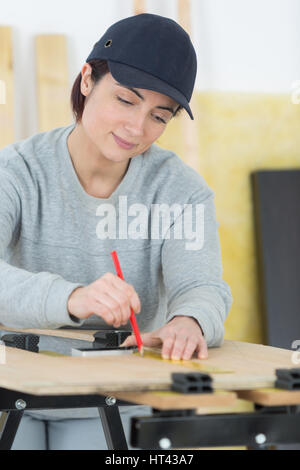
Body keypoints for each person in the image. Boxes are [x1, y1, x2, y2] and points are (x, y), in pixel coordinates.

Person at [0, 13, 232, 450]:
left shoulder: (182, 191)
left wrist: (189, 319)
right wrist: (72, 297)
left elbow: (202, 286)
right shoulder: (16, 171)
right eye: (125, 100)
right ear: (87, 78)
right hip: (18, 392)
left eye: (159, 116)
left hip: (122, 397)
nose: (136, 128)